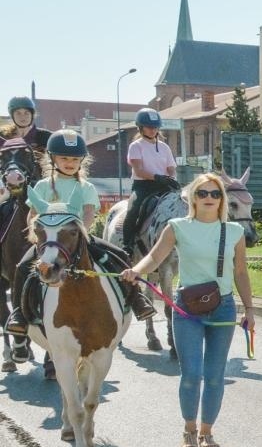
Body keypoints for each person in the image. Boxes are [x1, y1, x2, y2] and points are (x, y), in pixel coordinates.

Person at [120, 172, 254, 447]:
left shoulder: (234, 232)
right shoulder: (176, 227)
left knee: (215, 375)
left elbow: (241, 272)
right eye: (202, 193)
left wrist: (250, 310)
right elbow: (155, 257)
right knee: (191, 374)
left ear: (222, 200)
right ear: (192, 198)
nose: (208, 198)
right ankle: (189, 430)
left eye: (215, 194)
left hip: (224, 307)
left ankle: (207, 432)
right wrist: (137, 270)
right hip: (186, 309)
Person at [6, 129, 156, 337]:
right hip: (50, 240)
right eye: (64, 158)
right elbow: (32, 215)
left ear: (82, 161)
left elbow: (88, 213)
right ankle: (19, 315)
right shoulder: (41, 186)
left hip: (78, 238)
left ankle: (137, 299)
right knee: (22, 267)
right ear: (52, 158)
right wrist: (37, 232)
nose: (70, 162)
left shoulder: (86, 187)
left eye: (75, 159)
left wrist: (81, 232)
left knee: (119, 256)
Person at [123, 107, 178, 253]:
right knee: (133, 209)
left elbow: (171, 167)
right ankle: (127, 244)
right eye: (149, 127)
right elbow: (138, 170)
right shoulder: (136, 146)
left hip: (164, 185)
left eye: (155, 127)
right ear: (140, 128)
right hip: (143, 186)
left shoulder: (165, 147)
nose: (153, 130)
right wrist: (157, 177)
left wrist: (171, 178)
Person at [3, 95, 52, 170]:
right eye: (18, 113)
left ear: (32, 115)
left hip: (39, 179)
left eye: (26, 113)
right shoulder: (3, 136)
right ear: (12, 115)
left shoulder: (46, 136)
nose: (23, 117)